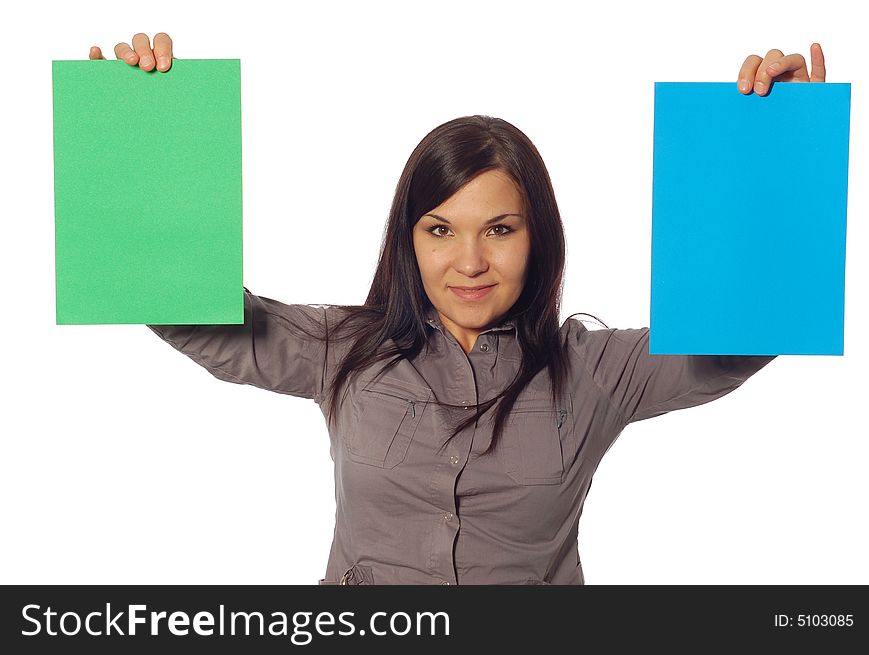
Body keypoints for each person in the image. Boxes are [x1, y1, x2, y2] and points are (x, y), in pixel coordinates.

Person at [90, 34, 826, 585]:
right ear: (408, 240)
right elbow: (183, 308)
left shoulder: (598, 371)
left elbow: (742, 332)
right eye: (440, 229)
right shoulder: (340, 348)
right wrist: (138, 133)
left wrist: (784, 139)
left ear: (538, 236)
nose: (469, 262)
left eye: (499, 230)